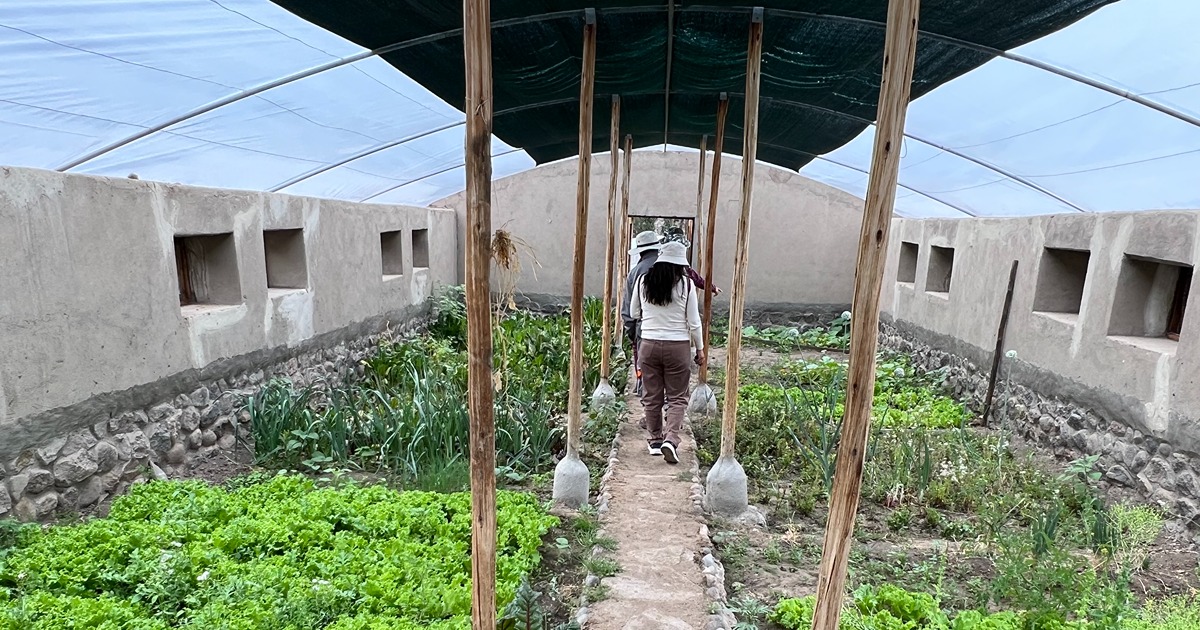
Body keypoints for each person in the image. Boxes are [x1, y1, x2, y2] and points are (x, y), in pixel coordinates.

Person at [630, 240, 705, 464]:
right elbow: (694, 322)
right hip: (678, 347)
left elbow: (634, 312)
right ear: (681, 263)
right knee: (677, 397)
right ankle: (670, 440)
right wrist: (700, 349)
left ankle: (654, 440)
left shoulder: (644, 281)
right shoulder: (686, 284)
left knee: (651, 396)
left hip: (649, 345)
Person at [621, 230, 720, 392]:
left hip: (647, 334)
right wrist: (712, 288)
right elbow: (694, 318)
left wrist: (632, 332)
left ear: (640, 252)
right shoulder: (678, 272)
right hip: (677, 339)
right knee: (677, 396)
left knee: (650, 388)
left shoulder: (636, 274)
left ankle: (642, 386)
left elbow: (630, 312)